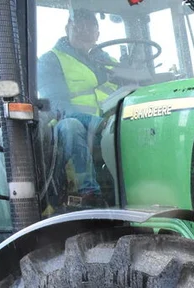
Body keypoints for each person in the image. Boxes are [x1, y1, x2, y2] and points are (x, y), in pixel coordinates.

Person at [37, 9, 120, 205]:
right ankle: (89, 193)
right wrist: (97, 123)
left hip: (110, 126)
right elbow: (57, 105)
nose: (85, 32)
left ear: (98, 34)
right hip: (71, 131)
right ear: (68, 29)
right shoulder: (51, 60)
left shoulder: (108, 61)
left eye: (90, 29)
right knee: (71, 126)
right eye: (79, 27)